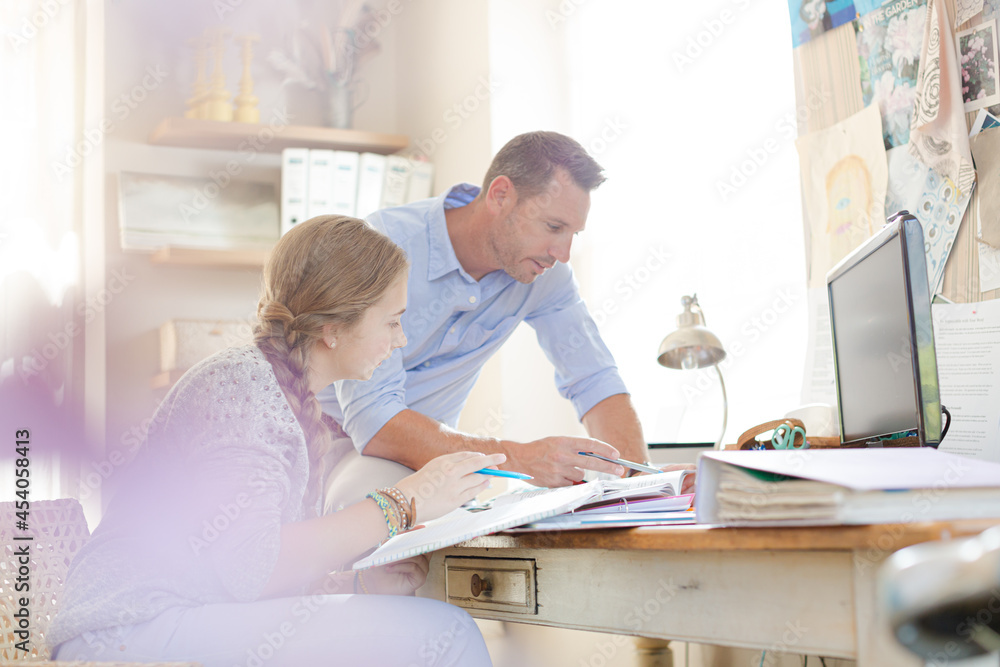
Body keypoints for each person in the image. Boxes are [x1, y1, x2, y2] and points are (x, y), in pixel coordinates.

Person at [49, 215, 497, 666]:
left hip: (173, 620)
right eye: (392, 322)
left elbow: (237, 575)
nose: (400, 340)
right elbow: (253, 570)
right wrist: (406, 502)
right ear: (333, 327)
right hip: (127, 632)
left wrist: (355, 586)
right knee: (448, 633)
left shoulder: (278, 394)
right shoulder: (242, 389)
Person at [320, 131, 694, 513]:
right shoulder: (385, 244)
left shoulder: (545, 276)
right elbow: (374, 421)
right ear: (500, 195)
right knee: (374, 499)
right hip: (330, 445)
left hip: (434, 464)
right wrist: (519, 458)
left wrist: (639, 479)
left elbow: (594, 379)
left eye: (572, 234)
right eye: (553, 227)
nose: (563, 253)